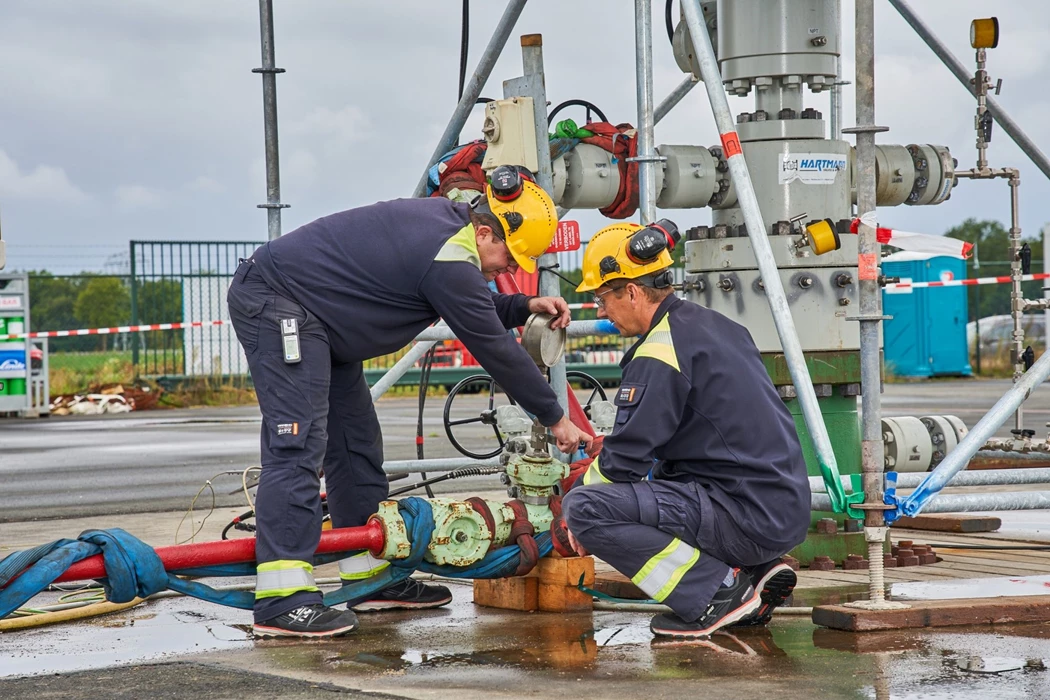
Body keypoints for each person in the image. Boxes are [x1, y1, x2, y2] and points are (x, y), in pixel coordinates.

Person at [227, 166, 592, 638]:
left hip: (321, 319)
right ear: (484, 231)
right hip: (281, 304)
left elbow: (470, 305)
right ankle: (281, 599)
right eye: (508, 256)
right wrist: (554, 417)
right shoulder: (446, 254)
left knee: (356, 443)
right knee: (296, 444)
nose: (510, 270)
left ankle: (369, 578)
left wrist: (524, 307)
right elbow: (494, 347)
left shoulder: (453, 238)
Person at [561, 220, 810, 639]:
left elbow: (623, 462)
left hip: (745, 516)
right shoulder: (717, 327)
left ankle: (714, 593)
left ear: (633, 292)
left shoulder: (660, 351)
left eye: (603, 298)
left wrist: (575, 501)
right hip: (781, 508)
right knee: (659, 482)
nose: (601, 312)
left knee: (587, 509)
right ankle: (757, 570)